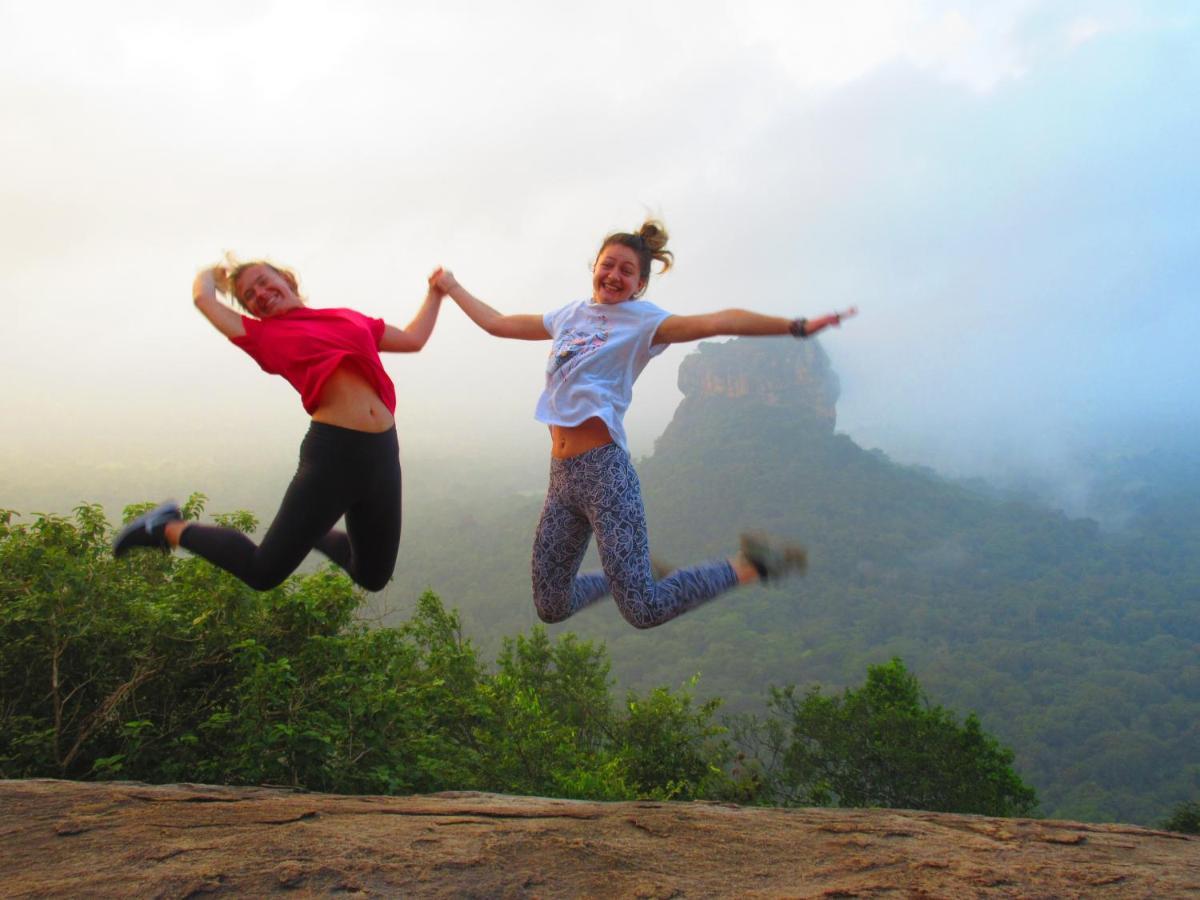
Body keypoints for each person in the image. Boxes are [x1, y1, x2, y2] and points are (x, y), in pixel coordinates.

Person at [431, 219, 856, 629]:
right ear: (594, 267)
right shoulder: (568, 315)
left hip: (605, 477)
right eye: (608, 265)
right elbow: (498, 323)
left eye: (627, 271)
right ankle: (632, 574)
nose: (614, 276)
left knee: (643, 610)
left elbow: (720, 320)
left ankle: (748, 566)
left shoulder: (645, 323)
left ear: (640, 284)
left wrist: (796, 327)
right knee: (551, 605)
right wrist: (452, 287)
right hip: (561, 480)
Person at [112, 257, 444, 592]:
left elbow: (414, 339)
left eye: (263, 281)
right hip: (335, 454)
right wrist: (211, 274)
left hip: (383, 451)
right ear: (251, 310)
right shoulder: (261, 335)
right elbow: (204, 298)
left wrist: (436, 293)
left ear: (286, 278)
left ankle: (309, 532)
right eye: (248, 295)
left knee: (373, 577)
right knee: (262, 572)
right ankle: (166, 527)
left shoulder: (347, 317)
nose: (260, 293)